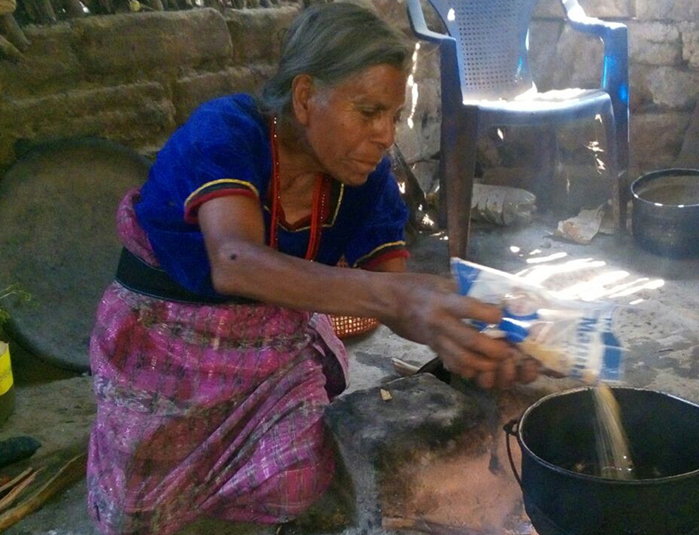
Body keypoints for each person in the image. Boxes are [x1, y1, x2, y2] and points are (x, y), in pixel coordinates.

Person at [86, 4, 537, 534]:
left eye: (393, 117)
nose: (385, 135)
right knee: (136, 512)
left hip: (270, 350)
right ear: (305, 97)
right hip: (164, 341)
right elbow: (234, 262)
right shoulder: (227, 133)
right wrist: (396, 299)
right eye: (368, 112)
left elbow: (393, 290)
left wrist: (467, 335)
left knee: (301, 477)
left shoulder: (365, 182)